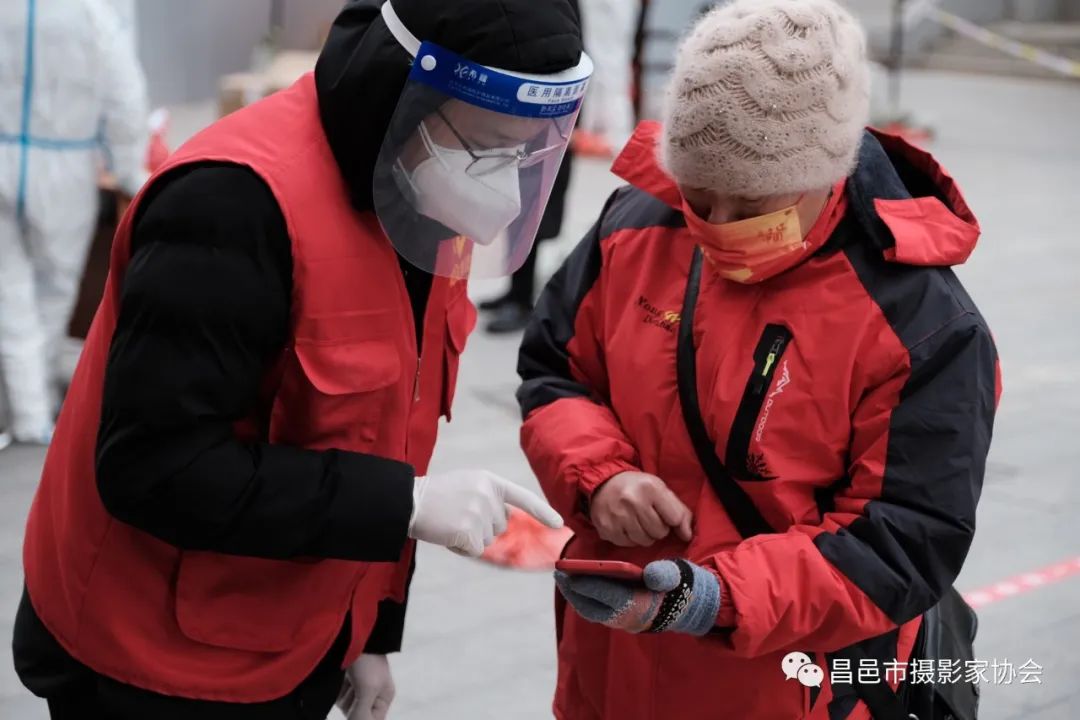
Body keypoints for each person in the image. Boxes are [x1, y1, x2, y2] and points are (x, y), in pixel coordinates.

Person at [13, 1, 590, 718]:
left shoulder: (420, 192)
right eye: (490, 148)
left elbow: (391, 424)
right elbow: (153, 466)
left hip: (298, 633)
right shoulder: (232, 205)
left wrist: (369, 628)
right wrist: (404, 506)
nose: (503, 188)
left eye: (526, 153)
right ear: (409, 95)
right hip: (154, 656)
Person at [517, 1, 1001, 718]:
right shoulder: (637, 224)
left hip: (787, 684)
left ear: (827, 173)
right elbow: (554, 371)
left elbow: (905, 540)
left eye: (749, 205)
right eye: (697, 196)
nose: (715, 227)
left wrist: (716, 599)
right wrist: (600, 476)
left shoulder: (922, 323)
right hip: (612, 668)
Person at [0, 0, 149, 445]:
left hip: (4, 154)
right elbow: (124, 95)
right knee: (54, 289)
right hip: (65, 164)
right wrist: (129, 170)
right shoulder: (93, 13)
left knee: (8, 289)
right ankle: (32, 410)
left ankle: (21, 407)